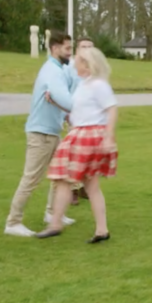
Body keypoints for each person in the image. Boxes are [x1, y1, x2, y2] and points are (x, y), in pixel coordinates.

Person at [35, 47, 118, 242]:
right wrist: (56, 104)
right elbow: (78, 110)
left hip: (89, 136)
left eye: (79, 60)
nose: (74, 62)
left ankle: (59, 224)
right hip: (80, 134)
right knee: (78, 182)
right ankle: (97, 229)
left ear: (88, 65)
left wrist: (108, 136)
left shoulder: (99, 85)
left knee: (76, 181)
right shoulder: (84, 84)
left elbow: (112, 109)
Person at [5, 31, 77, 237]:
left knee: (61, 175)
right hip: (41, 133)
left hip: (52, 132)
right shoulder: (52, 72)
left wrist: (66, 115)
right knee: (31, 179)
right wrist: (84, 109)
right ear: (54, 48)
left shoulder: (57, 70)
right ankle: (13, 222)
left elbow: (59, 102)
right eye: (67, 49)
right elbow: (64, 98)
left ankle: (53, 213)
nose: (69, 53)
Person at [65, 37, 95, 206]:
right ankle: (73, 190)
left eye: (90, 47)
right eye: (83, 47)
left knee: (89, 155)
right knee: (74, 154)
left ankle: (85, 186)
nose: (86, 50)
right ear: (77, 49)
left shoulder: (95, 69)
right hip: (74, 117)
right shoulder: (70, 68)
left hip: (91, 119)